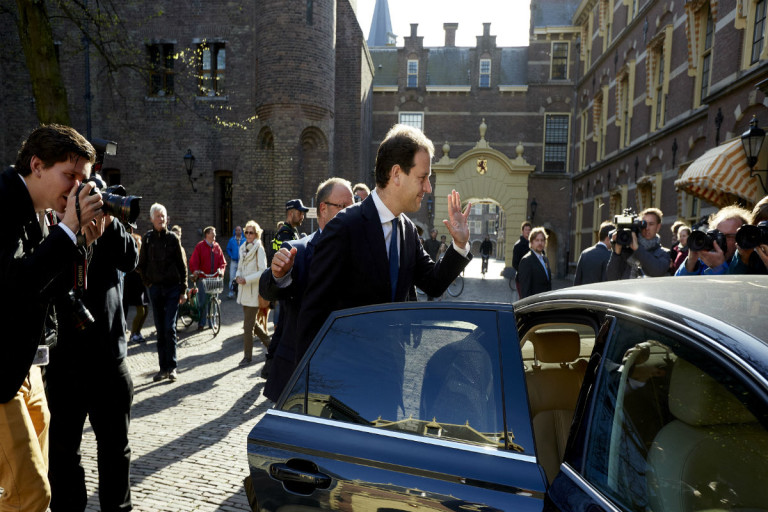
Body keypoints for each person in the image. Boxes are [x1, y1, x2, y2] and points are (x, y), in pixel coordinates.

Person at [295, 124, 472, 363]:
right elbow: (313, 314)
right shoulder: (345, 227)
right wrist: (312, 379)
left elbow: (433, 283)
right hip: (345, 372)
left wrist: (459, 244)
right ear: (396, 173)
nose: (428, 188)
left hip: (391, 370)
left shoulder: (408, 230)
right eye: (423, 178)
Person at [0, 124, 101, 511]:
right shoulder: (3, 201)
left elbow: (48, 284)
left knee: (38, 481)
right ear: (37, 165)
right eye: (70, 175)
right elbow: (13, 285)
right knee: (30, 495)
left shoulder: (37, 211)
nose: (77, 188)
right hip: (2, 374)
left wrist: (81, 240)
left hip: (28, 367)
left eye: (83, 179)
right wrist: (68, 231)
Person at [46, 213, 138, 512]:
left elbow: (130, 259)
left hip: (109, 356)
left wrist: (109, 223)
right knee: (62, 455)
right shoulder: (48, 218)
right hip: (63, 359)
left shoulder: (106, 220)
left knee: (115, 451)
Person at [260, 178, 355, 400]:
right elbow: (268, 290)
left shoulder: (361, 252)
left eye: (354, 207)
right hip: (301, 371)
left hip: (346, 374)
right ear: (323, 208)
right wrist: (278, 275)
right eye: (343, 207)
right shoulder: (298, 250)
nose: (351, 213)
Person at [137, 203, 188, 383]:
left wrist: (183, 289)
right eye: (158, 216)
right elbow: (141, 265)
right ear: (152, 219)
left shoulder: (173, 239)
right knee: (160, 329)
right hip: (156, 289)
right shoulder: (148, 239)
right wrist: (148, 283)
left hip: (173, 288)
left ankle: (172, 367)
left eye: (163, 216)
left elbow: (182, 265)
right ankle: (163, 369)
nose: (161, 219)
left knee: (169, 327)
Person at [675, 205, 751, 276]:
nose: (721, 239)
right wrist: (691, 262)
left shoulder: (746, 262)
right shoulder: (703, 260)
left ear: (742, 238)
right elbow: (677, 283)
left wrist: (718, 267)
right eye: (718, 235)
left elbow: (733, 284)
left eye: (728, 236)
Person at [234, 220, 271, 365]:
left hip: (254, 292)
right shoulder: (242, 247)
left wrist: (247, 279)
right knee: (252, 323)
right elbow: (239, 267)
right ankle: (271, 344)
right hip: (244, 291)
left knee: (248, 327)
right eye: (247, 232)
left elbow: (263, 271)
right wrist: (237, 276)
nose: (248, 235)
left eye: (251, 232)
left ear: (256, 234)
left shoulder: (259, 249)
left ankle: (247, 356)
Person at [606, 208, 671, 279]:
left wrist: (637, 249)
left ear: (658, 227)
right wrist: (616, 253)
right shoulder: (626, 251)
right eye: (644, 224)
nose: (647, 228)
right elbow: (611, 278)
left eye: (651, 224)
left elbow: (656, 271)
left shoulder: (664, 253)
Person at [189, 226, 227, 331]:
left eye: (215, 233)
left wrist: (221, 270)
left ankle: (212, 322)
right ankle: (201, 323)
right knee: (203, 302)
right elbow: (194, 260)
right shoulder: (200, 246)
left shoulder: (217, 246)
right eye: (212, 233)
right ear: (207, 234)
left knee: (213, 301)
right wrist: (195, 270)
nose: (215, 235)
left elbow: (222, 262)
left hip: (214, 278)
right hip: (203, 278)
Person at [123, 227, 149, 343]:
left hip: (141, 286)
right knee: (141, 311)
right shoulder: (132, 257)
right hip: (134, 286)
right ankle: (134, 334)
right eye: (138, 242)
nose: (140, 244)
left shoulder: (141, 255)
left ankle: (137, 332)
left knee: (146, 310)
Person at [574, 221, 615, 285]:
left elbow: (577, 280)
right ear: (608, 238)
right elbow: (606, 283)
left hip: (583, 291)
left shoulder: (584, 253)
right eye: (613, 239)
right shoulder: (609, 256)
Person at [518, 227, 552, 298]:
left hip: (545, 302)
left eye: (542, 240)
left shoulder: (545, 259)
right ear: (531, 242)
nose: (540, 243)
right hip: (534, 303)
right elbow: (525, 290)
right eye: (537, 240)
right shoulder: (526, 261)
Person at [512, 221, 532, 296]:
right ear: (522, 231)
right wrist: (524, 272)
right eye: (526, 230)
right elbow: (514, 263)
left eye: (529, 230)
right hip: (522, 278)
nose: (528, 232)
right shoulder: (518, 245)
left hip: (532, 278)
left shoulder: (534, 244)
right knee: (523, 298)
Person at [226, 225, 245, 299]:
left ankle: (241, 293)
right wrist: (231, 256)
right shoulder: (231, 240)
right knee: (232, 277)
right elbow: (228, 249)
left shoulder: (244, 240)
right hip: (233, 261)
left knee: (241, 277)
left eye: (239, 230)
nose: (238, 231)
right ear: (235, 231)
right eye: (236, 230)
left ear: (241, 231)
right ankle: (231, 292)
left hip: (242, 262)